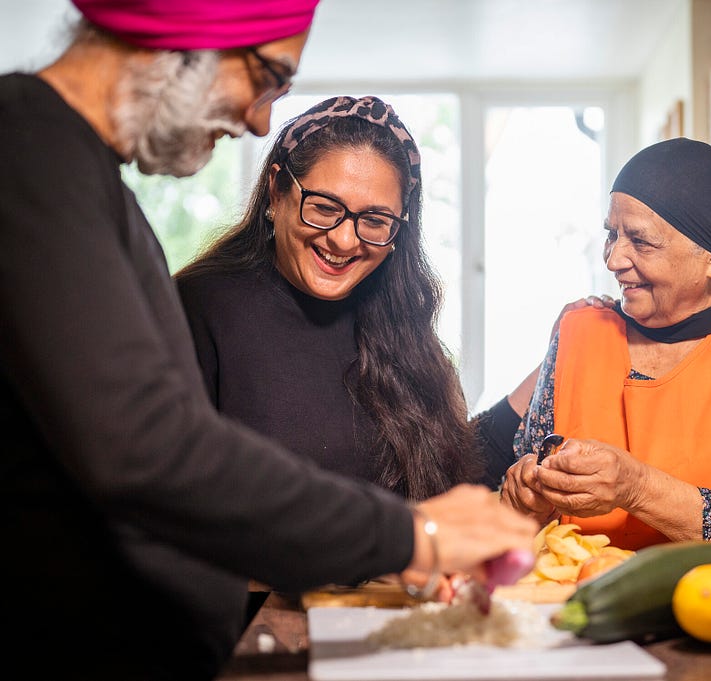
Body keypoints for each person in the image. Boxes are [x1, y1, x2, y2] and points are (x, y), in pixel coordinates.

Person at [0, 2, 537, 679]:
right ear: (188, 26)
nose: (258, 119)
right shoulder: (27, 144)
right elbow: (146, 446)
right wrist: (411, 534)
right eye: (266, 75)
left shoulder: (80, 171)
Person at [175, 94, 536, 499]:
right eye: (326, 207)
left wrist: (553, 363)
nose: (345, 240)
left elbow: (452, 479)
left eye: (375, 220)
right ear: (277, 192)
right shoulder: (197, 308)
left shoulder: (400, 327)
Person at [501, 138, 711, 575]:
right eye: (611, 234)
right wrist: (523, 496)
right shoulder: (578, 331)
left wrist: (634, 487)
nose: (614, 259)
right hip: (574, 617)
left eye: (640, 240)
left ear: (710, 257)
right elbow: (522, 503)